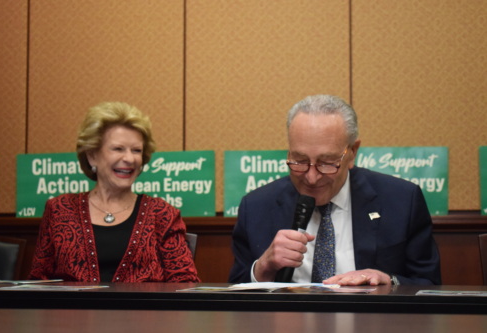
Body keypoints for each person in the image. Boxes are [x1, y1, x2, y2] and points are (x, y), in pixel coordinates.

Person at [229, 95, 441, 286]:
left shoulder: (401, 201)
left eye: (327, 162)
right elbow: (234, 293)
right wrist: (262, 268)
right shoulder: (256, 207)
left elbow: (429, 283)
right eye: (300, 161)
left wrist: (390, 281)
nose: (311, 177)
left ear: (352, 152)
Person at [29, 102, 200, 283]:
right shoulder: (59, 210)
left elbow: (185, 284)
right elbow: (39, 280)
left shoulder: (163, 214)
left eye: (136, 151)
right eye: (118, 149)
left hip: (143, 312)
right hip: (73, 311)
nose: (129, 159)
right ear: (92, 155)